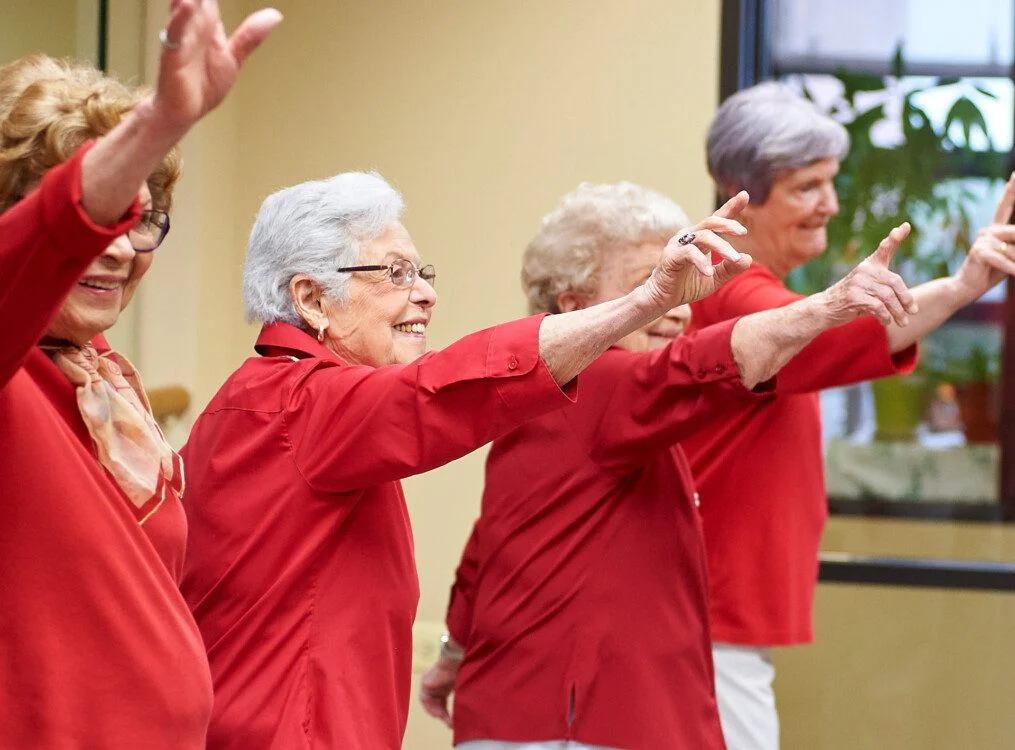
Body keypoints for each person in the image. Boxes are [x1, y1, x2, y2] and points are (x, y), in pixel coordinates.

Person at [179, 174, 766, 749]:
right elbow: (452, 389)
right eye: (395, 274)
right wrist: (643, 302)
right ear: (312, 300)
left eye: (422, 272)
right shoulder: (301, 406)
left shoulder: (262, 400)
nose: (427, 292)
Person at [417, 181, 917, 750]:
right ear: (573, 306)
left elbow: (490, 544)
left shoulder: (546, 396)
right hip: (579, 726)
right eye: (650, 288)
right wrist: (829, 305)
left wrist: (452, 658)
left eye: (679, 288)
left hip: (524, 716)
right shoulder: (599, 383)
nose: (676, 310)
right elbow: (711, 361)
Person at [683, 81, 1015, 750]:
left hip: (721, 610)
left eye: (829, 183)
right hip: (710, 612)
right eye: (808, 187)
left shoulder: (747, 282)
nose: (830, 205)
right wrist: (959, 288)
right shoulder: (726, 285)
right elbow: (831, 337)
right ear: (740, 194)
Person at [0, 2, 281, 747]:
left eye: (145, 217)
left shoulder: (104, 380)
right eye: (103, 215)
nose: (122, 246)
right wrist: (155, 123)